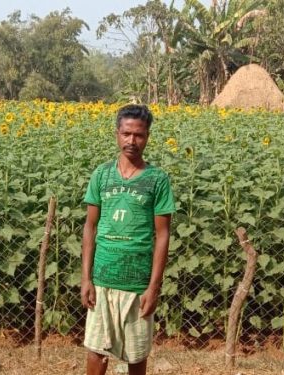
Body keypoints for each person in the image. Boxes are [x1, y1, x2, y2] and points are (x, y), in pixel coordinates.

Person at [81, 104, 175, 375]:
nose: (131, 141)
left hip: (137, 283)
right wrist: (86, 278)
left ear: (147, 137)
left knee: (136, 356)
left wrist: (153, 287)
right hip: (102, 279)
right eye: (126, 134)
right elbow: (90, 227)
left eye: (139, 135)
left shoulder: (157, 180)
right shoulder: (102, 175)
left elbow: (162, 235)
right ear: (117, 134)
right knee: (96, 353)